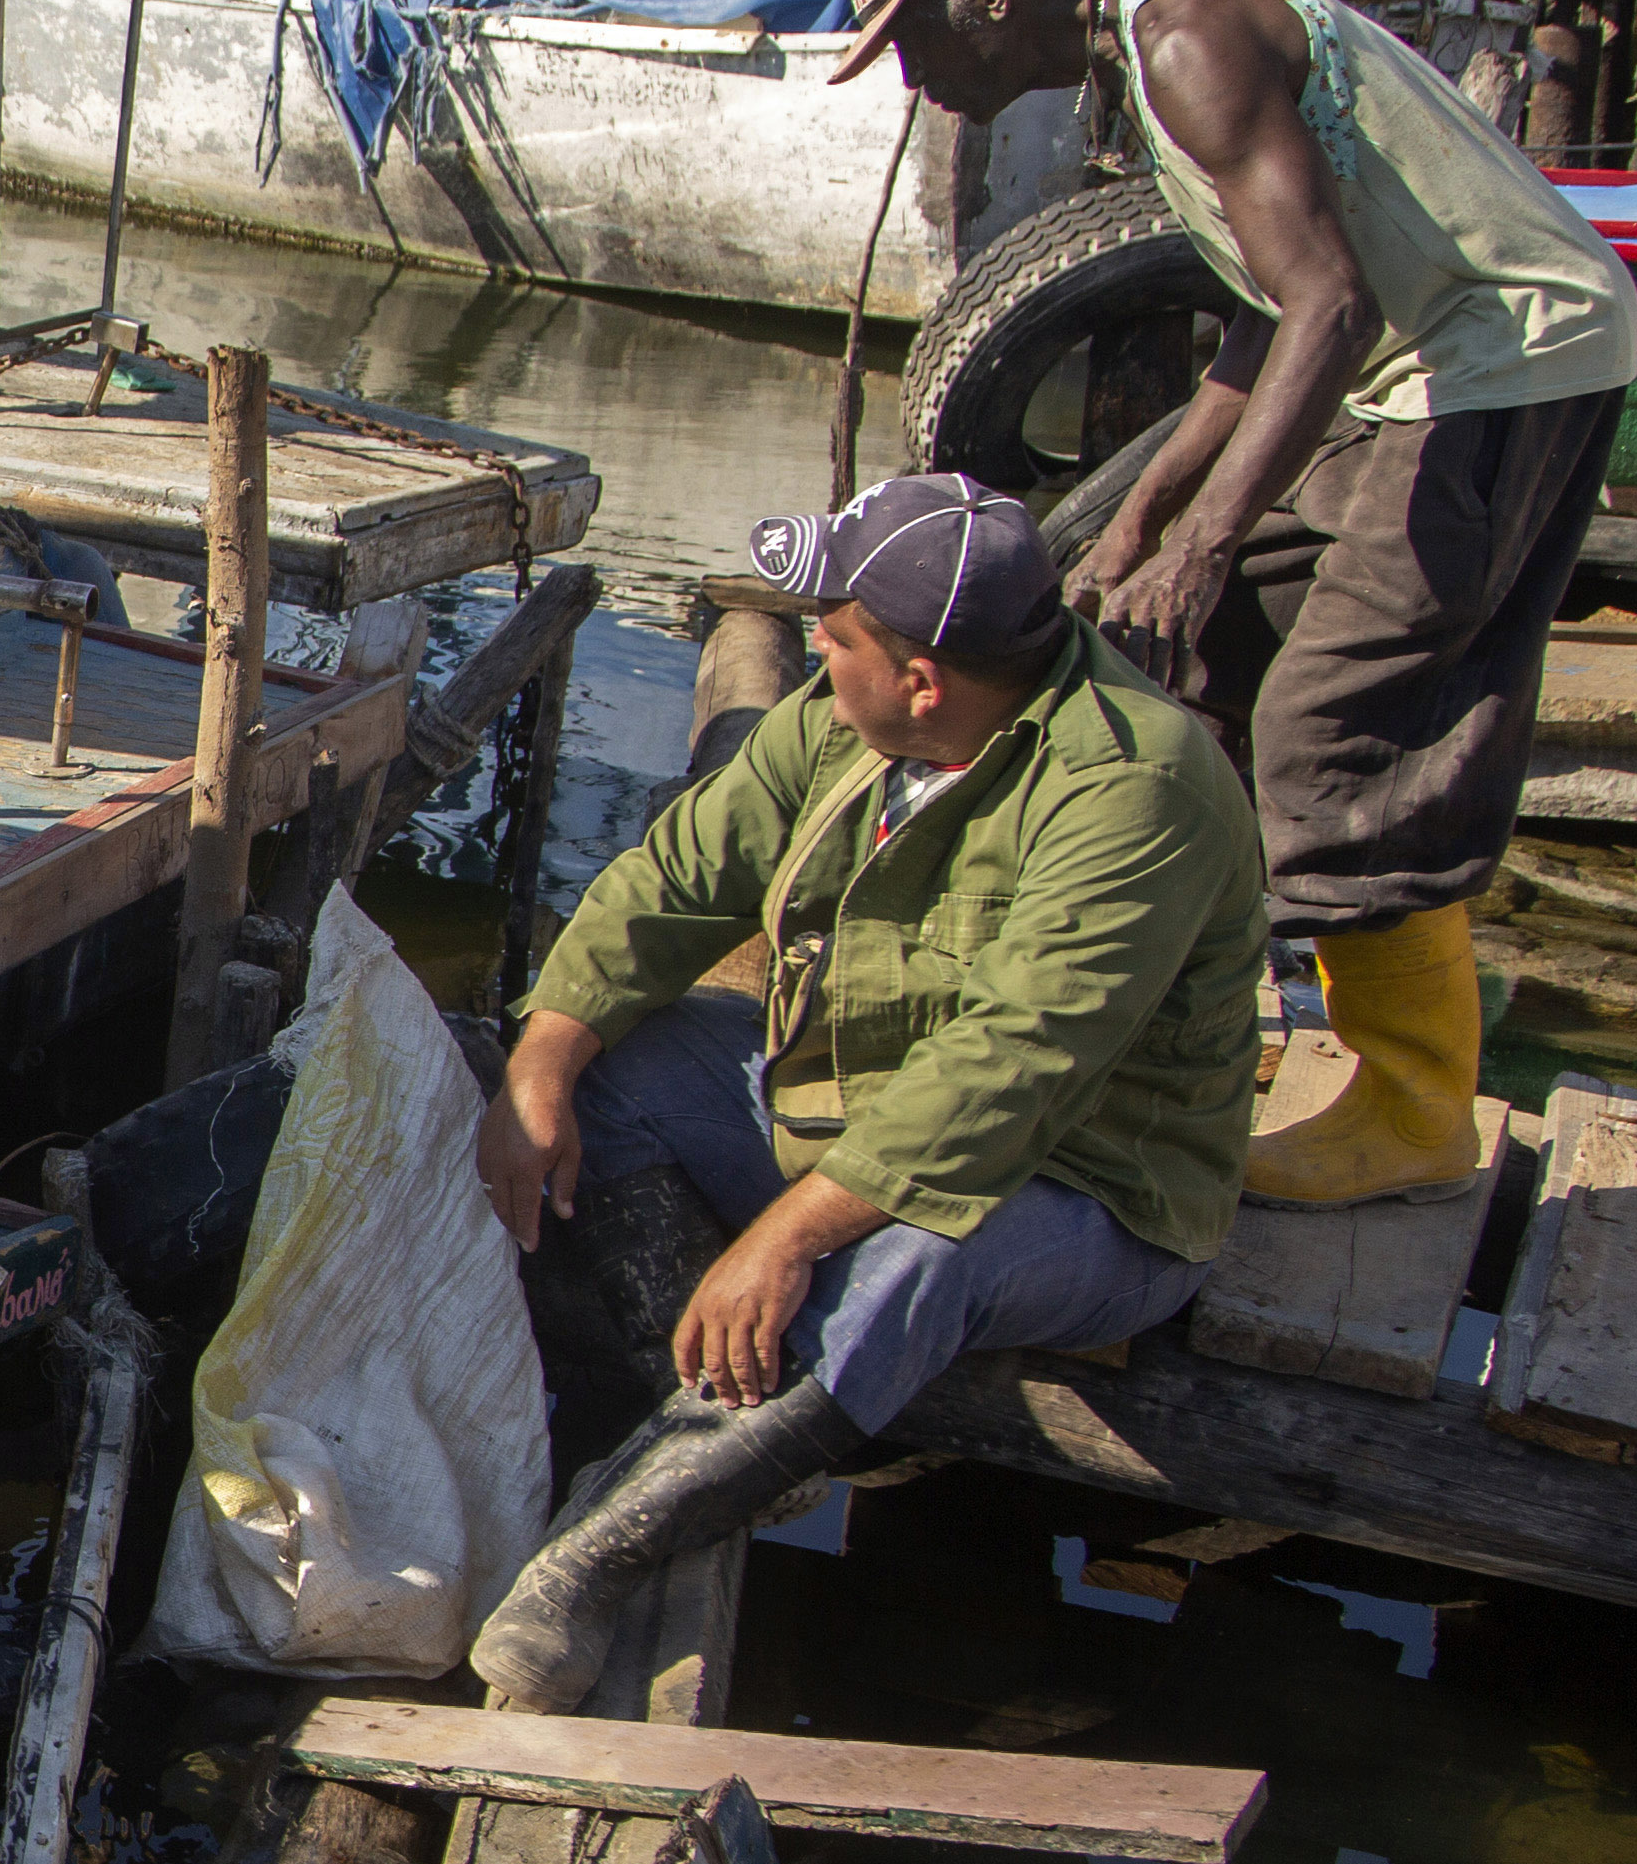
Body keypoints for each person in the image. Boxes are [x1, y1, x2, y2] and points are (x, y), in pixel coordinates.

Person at [831, 0, 1636, 1211]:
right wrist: (1144, 521)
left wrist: (1207, 539)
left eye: (910, 39)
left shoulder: (1187, 37)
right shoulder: (1149, 60)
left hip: (1506, 362)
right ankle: (1188, 1014)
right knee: (1214, 655)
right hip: (1411, 372)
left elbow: (1330, 310)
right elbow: (1271, 318)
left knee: (1337, 724)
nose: (913, 81)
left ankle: (1417, 1102)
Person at [469, 474, 1265, 1711]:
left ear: (923, 678)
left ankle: (599, 1550)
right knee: (618, 1072)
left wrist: (784, 1238)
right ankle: (704, 1414)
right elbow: (678, 877)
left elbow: (1012, 1070)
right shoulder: (844, 721)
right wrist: (543, 1059)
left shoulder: (1135, 788)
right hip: (836, 1102)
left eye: (835, 641)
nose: (817, 662)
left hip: (1084, 1186)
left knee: (928, 1252)